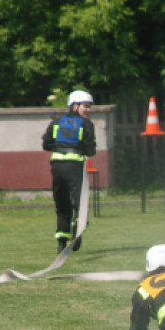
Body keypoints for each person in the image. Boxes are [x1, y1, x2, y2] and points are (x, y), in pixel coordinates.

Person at [41, 90, 97, 253]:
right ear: (75, 105)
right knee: (80, 201)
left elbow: (46, 144)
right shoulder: (86, 124)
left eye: (89, 107)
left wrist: (60, 147)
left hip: (57, 167)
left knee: (62, 204)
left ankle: (61, 242)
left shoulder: (56, 122)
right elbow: (90, 150)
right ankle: (77, 230)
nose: (88, 110)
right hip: (75, 167)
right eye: (86, 106)